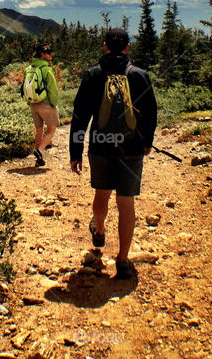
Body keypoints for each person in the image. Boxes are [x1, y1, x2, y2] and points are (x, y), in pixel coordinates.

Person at [70, 27, 158, 280]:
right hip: (131, 150)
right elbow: (150, 114)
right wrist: (146, 142)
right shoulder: (139, 75)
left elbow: (79, 117)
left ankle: (99, 230)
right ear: (127, 47)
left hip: (100, 145)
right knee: (126, 202)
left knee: (102, 193)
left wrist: (75, 152)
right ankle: (122, 260)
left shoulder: (93, 75)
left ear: (105, 46)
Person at [22, 42, 59, 167]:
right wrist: (54, 104)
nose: (50, 55)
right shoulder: (46, 69)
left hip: (33, 104)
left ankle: (39, 159)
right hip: (46, 104)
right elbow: (53, 89)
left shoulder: (29, 69)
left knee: (38, 130)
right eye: (48, 53)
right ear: (42, 54)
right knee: (52, 129)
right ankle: (40, 150)